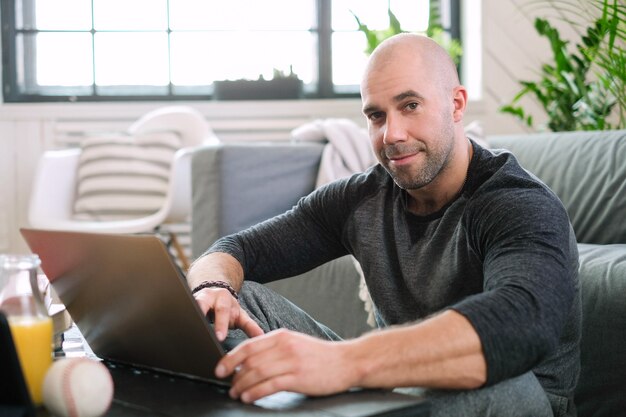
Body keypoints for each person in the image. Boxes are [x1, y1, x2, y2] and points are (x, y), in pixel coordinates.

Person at [187, 33, 580, 417]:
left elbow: (522, 323)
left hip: (509, 397)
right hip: (395, 390)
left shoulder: (516, 201)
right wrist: (212, 286)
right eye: (377, 115)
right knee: (237, 304)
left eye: (410, 105)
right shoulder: (360, 197)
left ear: (456, 104)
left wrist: (342, 362)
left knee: (486, 382)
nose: (392, 134)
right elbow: (237, 249)